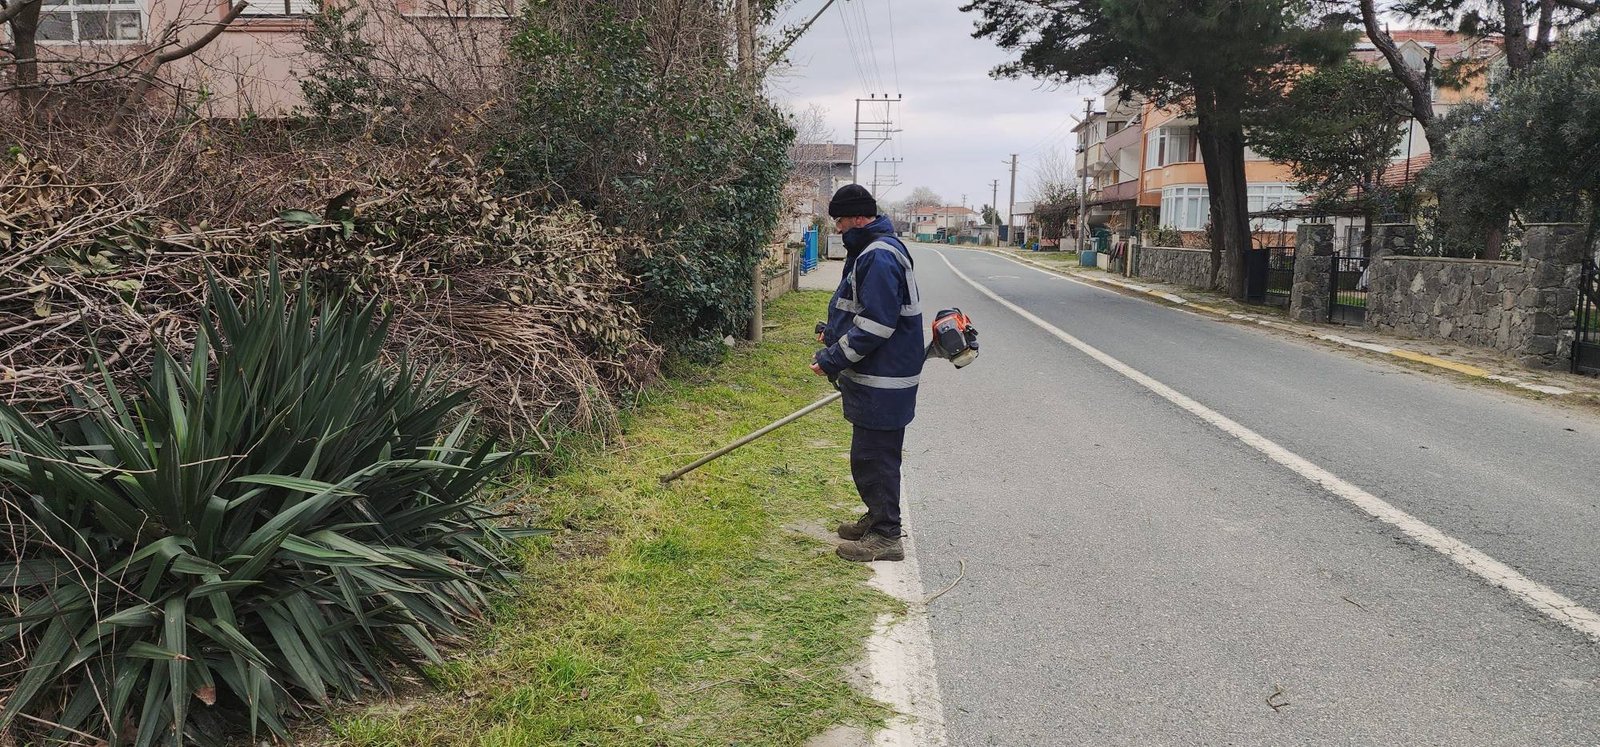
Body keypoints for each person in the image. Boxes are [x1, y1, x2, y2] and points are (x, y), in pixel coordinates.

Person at [810, 184, 924, 563]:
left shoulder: (879, 256)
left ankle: (887, 535)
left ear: (859, 217)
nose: (839, 230)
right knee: (871, 455)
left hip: (884, 378)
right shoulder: (873, 250)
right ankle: (877, 520)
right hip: (878, 376)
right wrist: (833, 332)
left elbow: (876, 324)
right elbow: (860, 308)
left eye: (841, 221)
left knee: (875, 458)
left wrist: (832, 359)